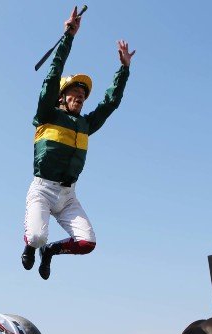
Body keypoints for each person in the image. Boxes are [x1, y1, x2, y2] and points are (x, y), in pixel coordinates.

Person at [20, 6, 135, 279]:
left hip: (69, 195)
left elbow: (110, 103)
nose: (81, 96)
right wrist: (68, 37)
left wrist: (123, 70)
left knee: (87, 243)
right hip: (43, 190)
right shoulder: (47, 114)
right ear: (61, 97)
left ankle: (49, 251)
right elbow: (52, 76)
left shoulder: (86, 124)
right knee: (36, 236)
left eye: (83, 95)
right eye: (74, 92)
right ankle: (32, 245)